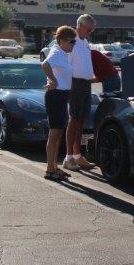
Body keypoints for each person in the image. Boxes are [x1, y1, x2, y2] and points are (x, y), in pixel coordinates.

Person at [41, 25, 76, 181]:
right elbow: (45, 64)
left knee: (59, 132)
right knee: (54, 133)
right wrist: (53, 80)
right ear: (61, 41)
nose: (73, 44)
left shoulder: (63, 53)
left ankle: (55, 167)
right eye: (71, 41)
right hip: (55, 96)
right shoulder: (56, 52)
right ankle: (50, 170)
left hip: (62, 95)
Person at [64, 14, 97, 171]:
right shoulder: (72, 40)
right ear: (80, 26)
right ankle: (68, 157)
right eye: (88, 29)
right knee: (74, 119)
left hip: (85, 84)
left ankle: (77, 156)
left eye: (91, 30)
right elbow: (66, 65)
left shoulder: (85, 42)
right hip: (75, 84)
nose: (90, 32)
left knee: (82, 119)